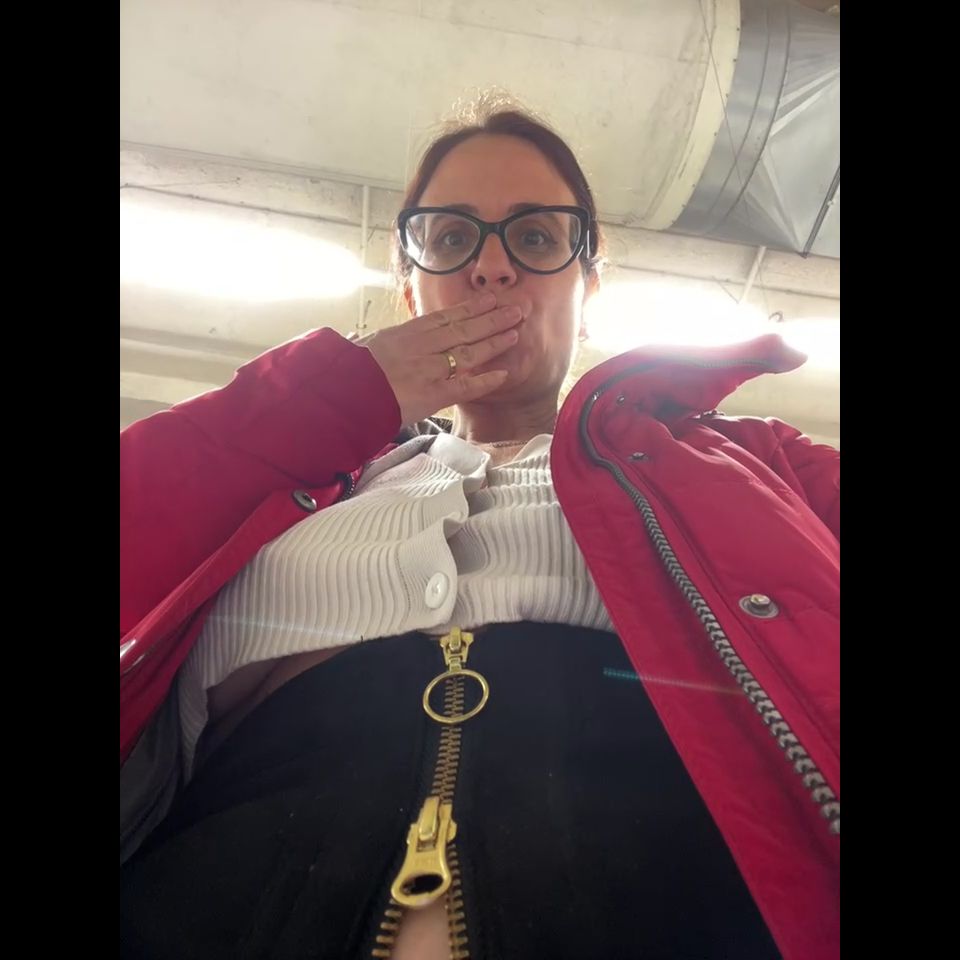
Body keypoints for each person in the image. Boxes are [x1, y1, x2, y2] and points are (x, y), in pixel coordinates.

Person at [120, 94, 839, 960]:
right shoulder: (294, 477)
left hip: (674, 879)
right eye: (453, 237)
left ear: (588, 283)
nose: (492, 269)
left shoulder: (758, 461)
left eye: (534, 237)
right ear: (409, 282)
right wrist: (332, 399)